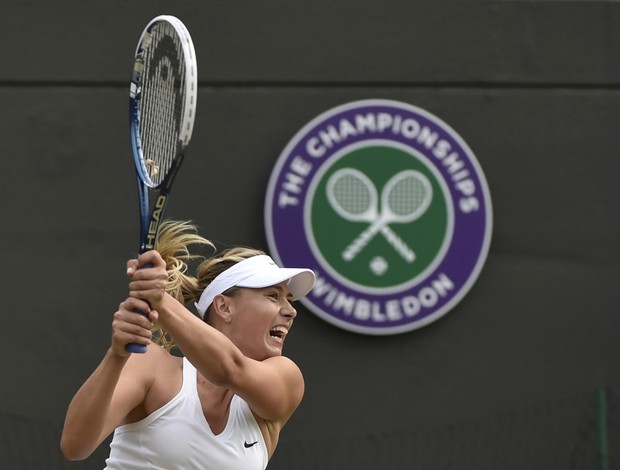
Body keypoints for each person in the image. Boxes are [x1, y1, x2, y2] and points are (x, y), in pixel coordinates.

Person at [60, 220, 315, 469]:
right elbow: (75, 446)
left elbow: (229, 369)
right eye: (273, 296)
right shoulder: (151, 365)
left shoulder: (286, 378)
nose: (290, 311)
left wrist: (159, 300)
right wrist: (116, 356)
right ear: (224, 307)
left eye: (288, 299)